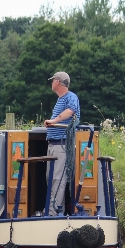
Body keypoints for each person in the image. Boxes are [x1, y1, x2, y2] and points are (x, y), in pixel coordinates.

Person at [43, 71, 80, 216]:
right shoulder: (60, 99)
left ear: (57, 82)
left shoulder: (71, 97)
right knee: (50, 178)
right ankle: (54, 210)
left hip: (61, 145)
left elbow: (71, 112)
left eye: (52, 81)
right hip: (53, 145)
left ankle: (55, 214)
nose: (51, 83)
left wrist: (53, 121)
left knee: (58, 180)